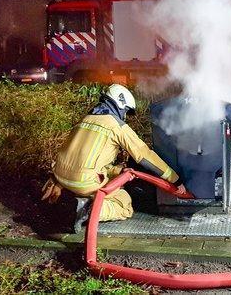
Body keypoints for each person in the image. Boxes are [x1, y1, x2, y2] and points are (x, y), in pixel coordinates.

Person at [41, 84, 184, 222]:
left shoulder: (85, 119)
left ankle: (69, 201)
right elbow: (144, 156)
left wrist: (119, 170)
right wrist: (175, 180)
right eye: (126, 111)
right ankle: (85, 209)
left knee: (110, 177)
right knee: (124, 203)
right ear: (120, 105)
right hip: (83, 182)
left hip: (60, 177)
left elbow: (81, 158)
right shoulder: (116, 126)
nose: (125, 116)